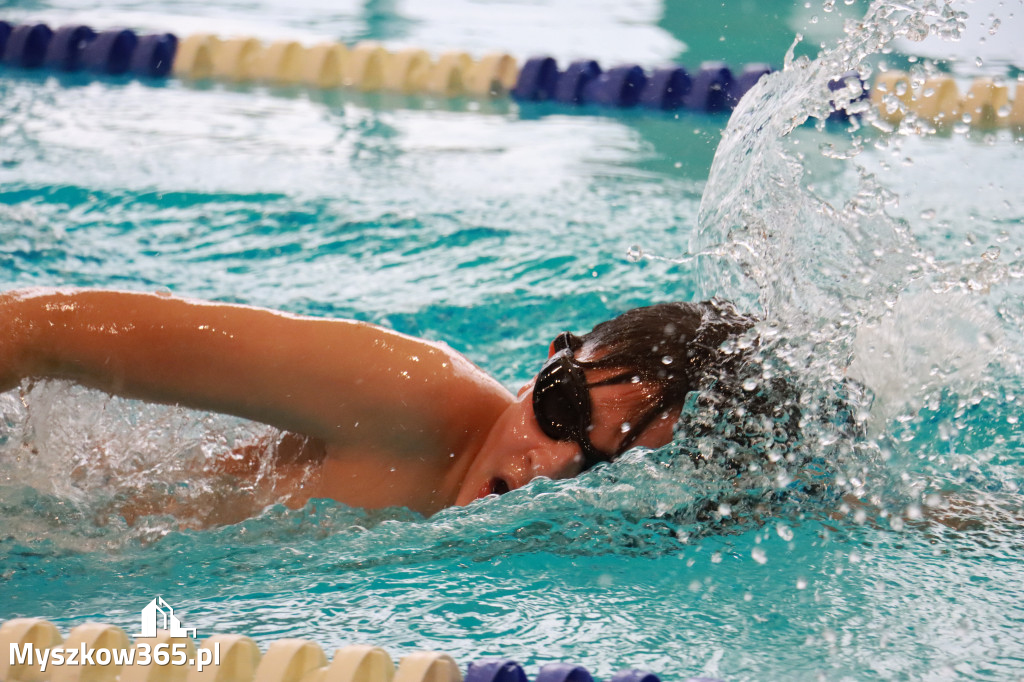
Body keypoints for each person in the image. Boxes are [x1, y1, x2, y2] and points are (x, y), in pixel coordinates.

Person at [0, 288, 756, 518]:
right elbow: (33, 332)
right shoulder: (404, 395)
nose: (550, 462)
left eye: (599, 464)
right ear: (546, 366)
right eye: (559, 412)